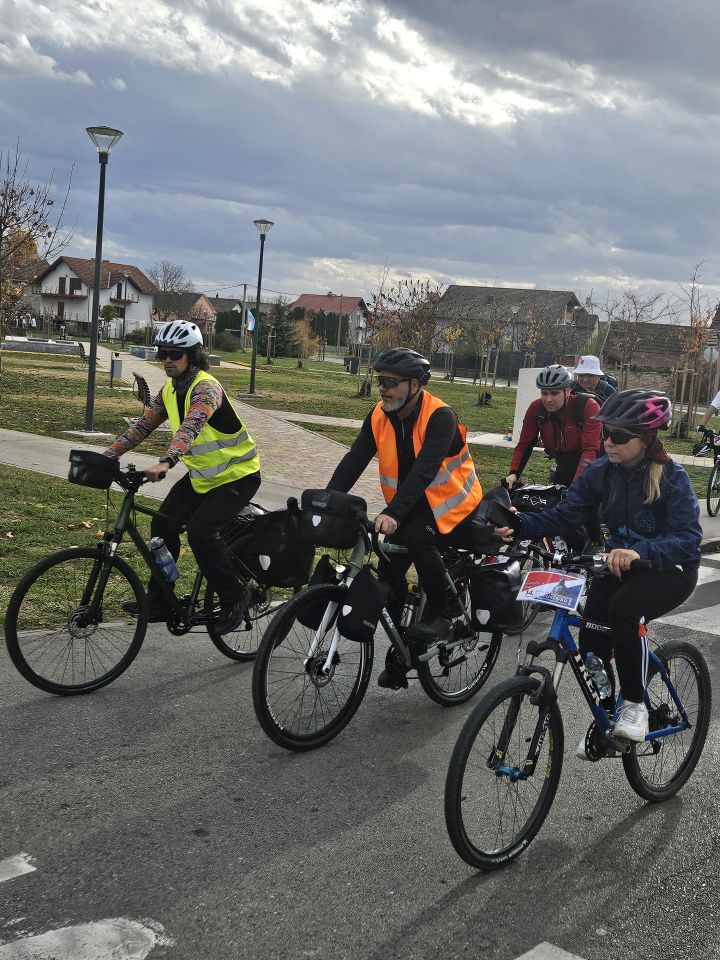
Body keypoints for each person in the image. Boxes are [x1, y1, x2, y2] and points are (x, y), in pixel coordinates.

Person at [506, 388, 701, 750]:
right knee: (592, 638)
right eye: (605, 432)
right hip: (618, 567)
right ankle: (609, 720)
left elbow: (689, 539)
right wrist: (520, 526)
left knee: (624, 610)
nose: (608, 441)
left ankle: (636, 705)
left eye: (619, 435)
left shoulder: (672, 477)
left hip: (671, 569)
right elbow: (567, 514)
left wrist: (639, 551)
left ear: (644, 439)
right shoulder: (601, 472)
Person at [326, 347, 483, 689]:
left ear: (415, 385)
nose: (383, 388)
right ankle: (401, 655)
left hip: (451, 500)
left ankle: (444, 614)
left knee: (417, 538)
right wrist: (330, 498)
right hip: (411, 502)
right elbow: (355, 457)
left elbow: (426, 470)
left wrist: (394, 512)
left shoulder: (440, 416)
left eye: (391, 382)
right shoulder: (380, 414)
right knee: (389, 574)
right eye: (380, 380)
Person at [103, 319, 261, 634]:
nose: (166, 359)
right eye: (162, 352)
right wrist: (109, 456)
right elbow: (142, 425)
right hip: (204, 477)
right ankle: (161, 599)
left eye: (175, 353)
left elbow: (192, 425)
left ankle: (236, 596)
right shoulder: (170, 390)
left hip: (238, 476)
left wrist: (168, 460)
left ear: (192, 354)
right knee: (163, 525)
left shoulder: (206, 387)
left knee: (202, 533)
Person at [505, 364, 602, 489]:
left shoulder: (588, 407)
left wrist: (577, 485)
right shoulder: (536, 408)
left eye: (554, 393)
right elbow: (525, 444)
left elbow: (590, 450)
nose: (548, 399)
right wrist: (513, 473)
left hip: (593, 466)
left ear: (567, 391)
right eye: (544, 393)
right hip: (563, 466)